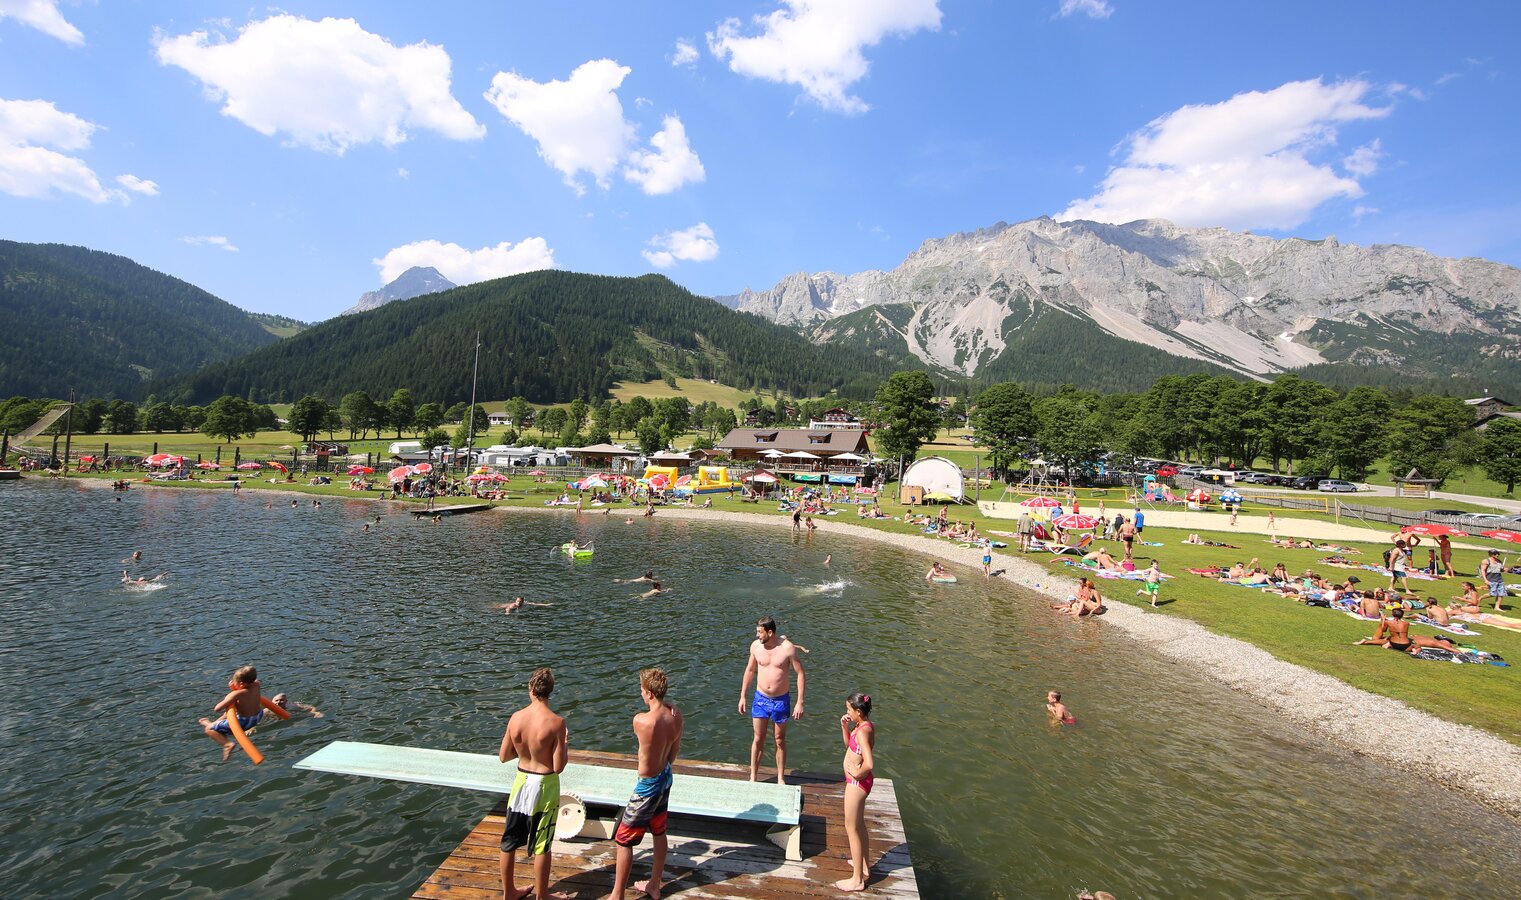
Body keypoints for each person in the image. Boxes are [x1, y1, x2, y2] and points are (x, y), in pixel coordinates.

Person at [611, 668, 683, 900]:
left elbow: (651, 721)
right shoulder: (676, 716)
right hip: (665, 776)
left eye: (642, 690)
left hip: (647, 786)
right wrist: (668, 704)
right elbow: (672, 755)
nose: (641, 694)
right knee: (659, 831)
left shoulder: (640, 721)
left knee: (623, 839)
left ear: (649, 693)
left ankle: (617, 895)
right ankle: (654, 884)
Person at [498, 667, 569, 900]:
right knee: (542, 844)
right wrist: (564, 743)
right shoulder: (556, 723)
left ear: (530, 688)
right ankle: (542, 896)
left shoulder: (516, 718)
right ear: (550, 691)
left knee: (509, 840)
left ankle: (509, 892)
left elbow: (503, 756)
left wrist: (523, 750)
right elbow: (558, 766)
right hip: (545, 785)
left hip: (521, 781)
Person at [739, 616, 806, 784]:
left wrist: (800, 702)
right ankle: (753, 777)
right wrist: (742, 696)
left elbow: (800, 673)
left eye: (759, 632)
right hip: (760, 699)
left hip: (780, 700)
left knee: (779, 740)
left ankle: (781, 778)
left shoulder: (787, 648)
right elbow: (750, 670)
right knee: (758, 738)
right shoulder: (756, 647)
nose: (757, 635)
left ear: (770, 632)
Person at [836, 693, 876, 893]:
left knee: (851, 827)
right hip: (857, 782)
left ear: (858, 712)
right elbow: (850, 747)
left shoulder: (862, 732)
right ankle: (864, 866)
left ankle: (857, 879)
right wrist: (844, 727)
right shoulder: (861, 726)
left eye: (849, 710)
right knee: (859, 825)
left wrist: (857, 774)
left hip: (856, 784)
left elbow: (869, 763)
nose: (847, 712)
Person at [198, 666, 271, 762]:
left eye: (233, 681)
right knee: (228, 713)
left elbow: (217, 708)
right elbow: (248, 685)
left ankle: (227, 744)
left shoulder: (236, 695)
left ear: (241, 684)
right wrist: (235, 686)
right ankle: (214, 723)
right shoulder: (256, 685)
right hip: (258, 716)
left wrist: (232, 695)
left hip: (244, 723)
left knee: (209, 729)